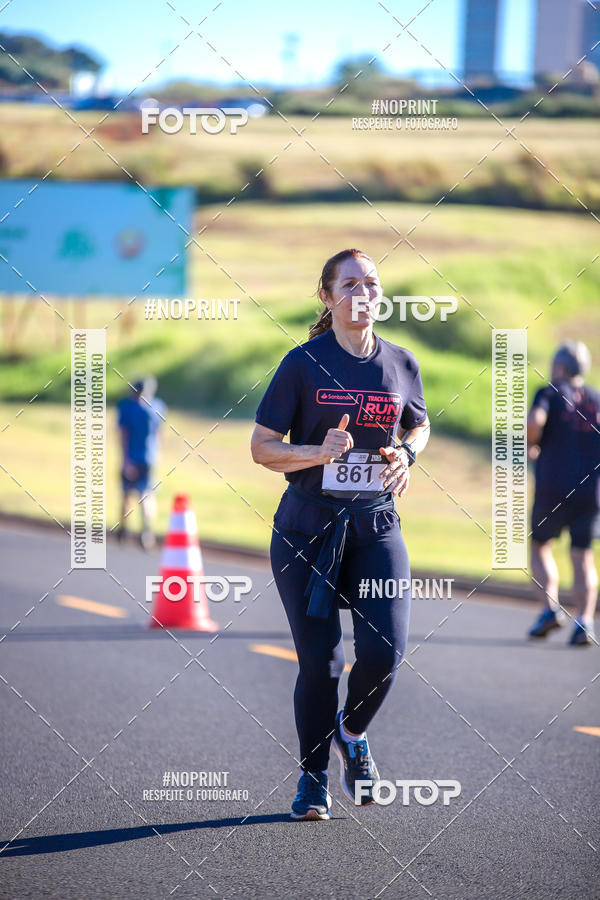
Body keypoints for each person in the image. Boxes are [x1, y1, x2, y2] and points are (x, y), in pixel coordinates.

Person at [251, 248, 430, 820]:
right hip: (307, 529)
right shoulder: (303, 363)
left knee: (385, 652)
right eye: (349, 284)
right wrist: (315, 451)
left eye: (371, 283)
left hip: (375, 525)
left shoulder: (401, 363)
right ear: (327, 298)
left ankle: (352, 735)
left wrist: (405, 453)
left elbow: (419, 426)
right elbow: (262, 447)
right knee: (322, 664)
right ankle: (311, 778)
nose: (362, 292)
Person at [527, 341, 599, 646]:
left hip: (553, 487)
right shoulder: (597, 397)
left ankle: (550, 609)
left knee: (541, 546)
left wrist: (532, 443)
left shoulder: (549, 392)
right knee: (582, 555)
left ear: (559, 367)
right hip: (591, 492)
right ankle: (584, 621)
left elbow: (534, 422)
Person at [116, 376, 167, 551]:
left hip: (132, 457)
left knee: (127, 495)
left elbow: (123, 435)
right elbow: (160, 434)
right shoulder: (158, 407)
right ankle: (146, 533)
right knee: (147, 495)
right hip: (150, 457)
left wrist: (125, 460)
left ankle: (124, 531)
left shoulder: (127, 407)